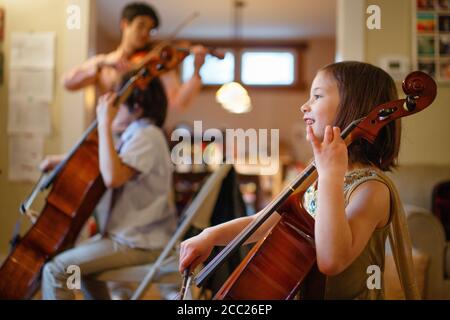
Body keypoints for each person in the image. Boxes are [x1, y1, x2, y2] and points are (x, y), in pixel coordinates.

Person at [178, 61, 420, 300]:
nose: (305, 106)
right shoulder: (315, 176)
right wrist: (208, 235)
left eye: (317, 96)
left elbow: (332, 260)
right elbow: (261, 222)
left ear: (354, 107)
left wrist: (330, 178)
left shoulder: (371, 189)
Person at [40, 76, 177, 299]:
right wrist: (59, 161)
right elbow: (105, 164)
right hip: (130, 238)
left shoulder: (147, 136)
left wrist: (104, 122)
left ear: (136, 107)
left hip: (139, 242)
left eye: (118, 105)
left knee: (56, 270)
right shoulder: (139, 135)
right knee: (81, 268)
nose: (114, 111)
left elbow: (112, 176)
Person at [62, 2, 207, 111]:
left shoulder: (155, 64)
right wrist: (103, 62)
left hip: (143, 139)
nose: (145, 33)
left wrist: (196, 72)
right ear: (125, 24)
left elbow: (179, 103)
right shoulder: (104, 63)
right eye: (140, 25)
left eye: (150, 29)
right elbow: (68, 83)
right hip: (112, 137)